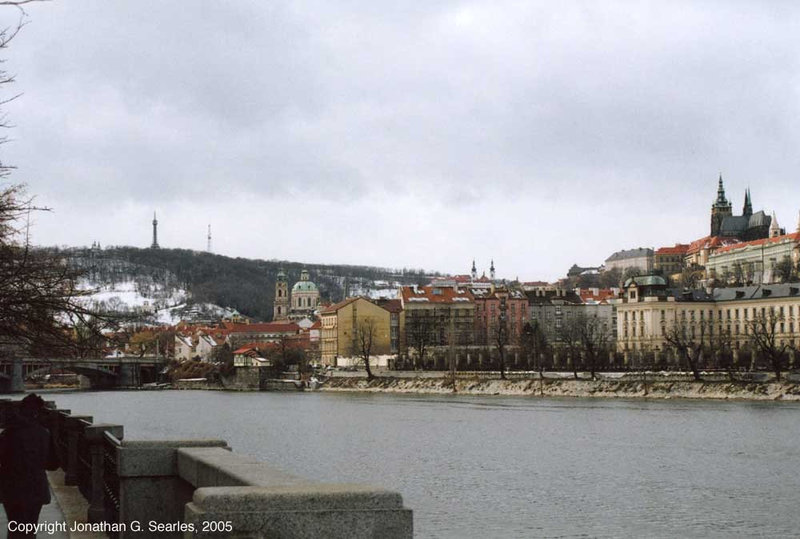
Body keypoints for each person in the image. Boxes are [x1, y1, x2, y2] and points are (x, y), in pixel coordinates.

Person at [0, 394, 59, 538]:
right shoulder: (43, 433)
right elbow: (53, 464)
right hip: (35, 488)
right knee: (30, 528)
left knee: (14, 526)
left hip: (11, 488)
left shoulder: (9, 433)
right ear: (37, 413)